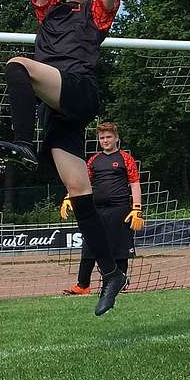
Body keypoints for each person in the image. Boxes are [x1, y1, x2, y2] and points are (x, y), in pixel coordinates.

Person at [0, 0, 128, 315]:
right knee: (79, 191)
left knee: (18, 65)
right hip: (58, 106)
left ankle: (21, 142)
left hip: (80, 91)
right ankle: (111, 274)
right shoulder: (48, 9)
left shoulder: (98, 14)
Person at [63, 121, 143, 295]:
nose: (105, 140)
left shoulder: (125, 158)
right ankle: (82, 285)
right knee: (90, 246)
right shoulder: (94, 160)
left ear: (116, 138)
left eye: (108, 137)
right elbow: (81, 182)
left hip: (120, 209)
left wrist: (137, 208)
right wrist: (69, 197)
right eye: (102, 138)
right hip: (96, 210)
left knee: (120, 249)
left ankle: (120, 283)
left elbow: (135, 183)